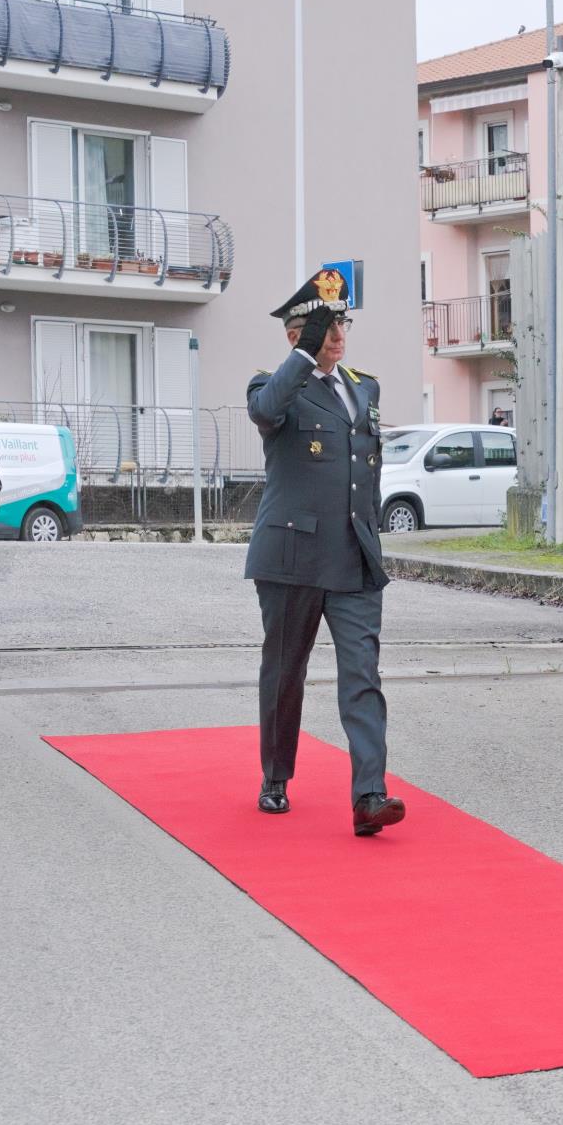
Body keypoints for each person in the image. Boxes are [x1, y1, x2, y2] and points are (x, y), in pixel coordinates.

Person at [246, 269, 402, 836]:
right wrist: (303, 357)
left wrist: (373, 537)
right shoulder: (273, 385)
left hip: (354, 556)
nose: (337, 336)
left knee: (363, 676)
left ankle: (370, 796)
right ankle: (275, 776)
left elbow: (367, 472)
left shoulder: (365, 388)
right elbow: (267, 413)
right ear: (296, 335)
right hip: (294, 557)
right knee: (286, 671)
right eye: (324, 328)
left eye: (341, 325)